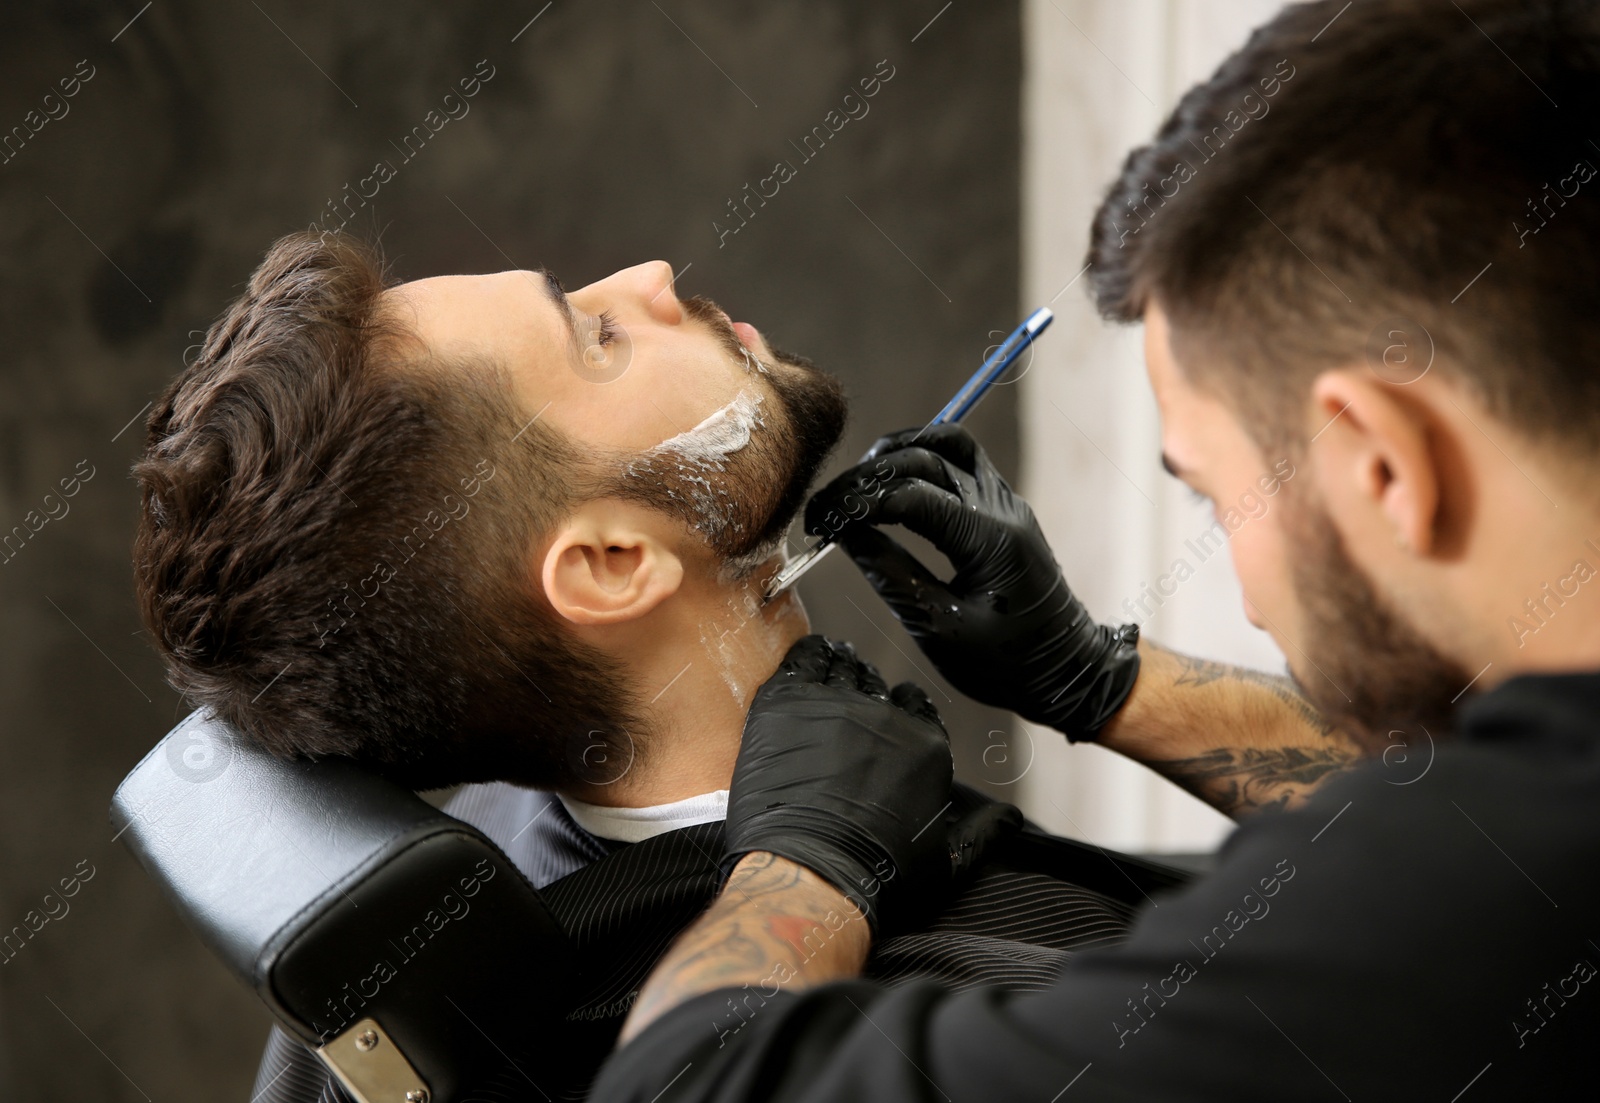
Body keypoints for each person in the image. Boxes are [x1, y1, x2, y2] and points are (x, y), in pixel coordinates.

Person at [593, 0, 1600, 1098]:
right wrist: (1099, 677)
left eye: (1217, 497)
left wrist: (802, 865)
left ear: (1383, 464)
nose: (1251, 600)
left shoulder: (1449, 911)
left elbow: (677, 1083)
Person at [129, 234, 1351, 1100]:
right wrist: (814, 868)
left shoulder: (476, 884)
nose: (651, 277)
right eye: (596, 334)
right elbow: (1497, 871)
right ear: (610, 561)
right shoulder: (961, 1023)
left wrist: (1094, 679)